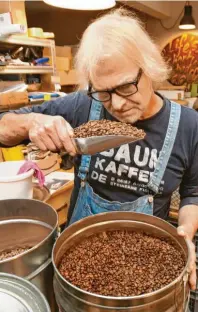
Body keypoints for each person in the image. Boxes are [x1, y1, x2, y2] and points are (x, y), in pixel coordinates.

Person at [0, 8, 197, 291]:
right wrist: (32, 122)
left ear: (150, 68)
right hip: (78, 261)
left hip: (148, 264)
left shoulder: (189, 126)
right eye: (103, 92)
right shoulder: (82, 106)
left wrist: (186, 233)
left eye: (126, 87)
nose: (116, 105)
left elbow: (194, 191)